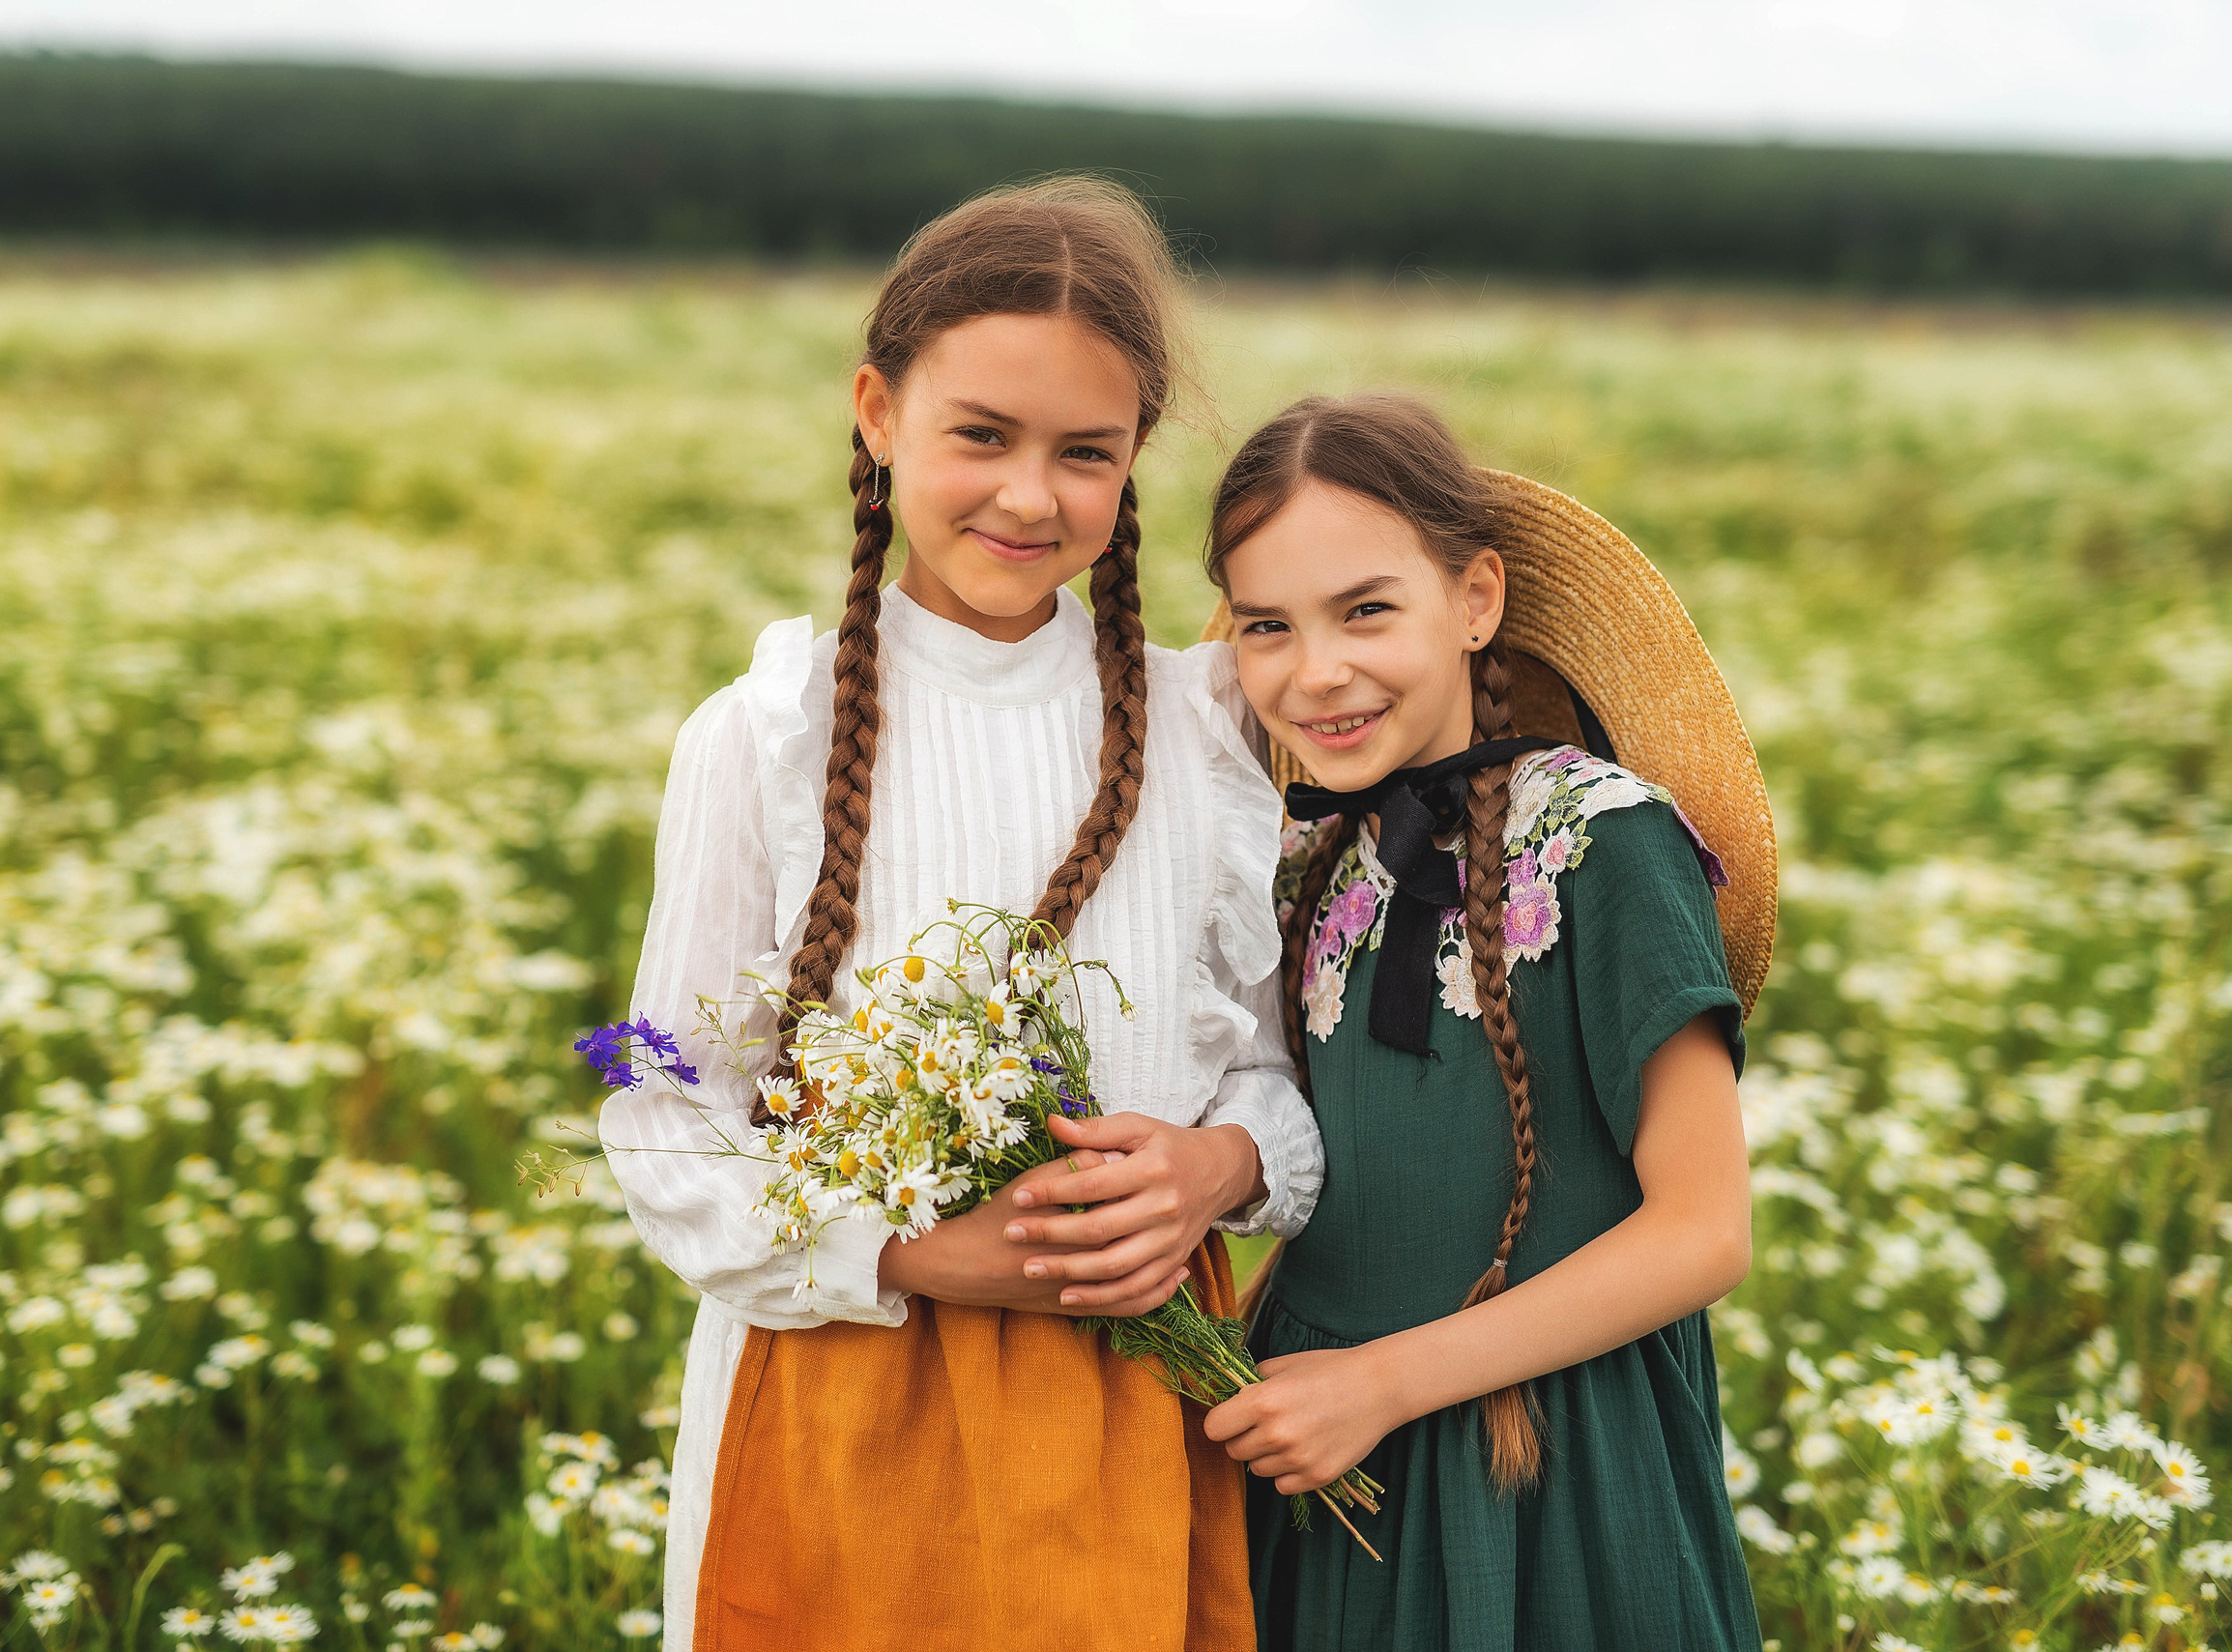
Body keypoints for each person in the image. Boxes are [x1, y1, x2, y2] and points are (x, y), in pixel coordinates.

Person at [601, 179, 1323, 1652]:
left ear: (1134, 466)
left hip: (1133, 1386)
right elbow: (661, 1113)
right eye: (980, 434)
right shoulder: (763, 735)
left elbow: (1270, 1067)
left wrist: (1213, 1164)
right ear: (878, 412)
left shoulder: (1207, 725)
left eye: (1084, 453)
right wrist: (914, 1250)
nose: (1027, 494)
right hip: (841, 1387)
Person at [1196, 394, 1777, 1651]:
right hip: (1326, 1469)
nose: (1319, 670)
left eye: (1366, 609)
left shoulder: (1609, 843)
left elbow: (1704, 1229)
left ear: (1475, 599)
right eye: (1266, 627)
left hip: (1549, 1472)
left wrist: (1385, 1382)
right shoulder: (1299, 862)